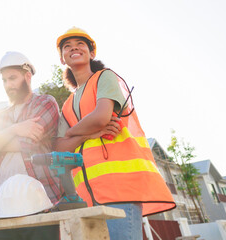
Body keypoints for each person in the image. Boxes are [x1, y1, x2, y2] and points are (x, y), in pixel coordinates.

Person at [54, 27, 176, 239]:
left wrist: (73, 133)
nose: (74, 47)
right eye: (67, 46)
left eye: (80, 43)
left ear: (92, 53)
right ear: (63, 58)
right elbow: (59, 148)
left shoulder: (105, 77)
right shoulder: (66, 105)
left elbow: (101, 117)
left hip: (120, 189)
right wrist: (88, 134)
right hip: (85, 196)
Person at [0, 51, 61, 240]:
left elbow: (29, 143)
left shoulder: (45, 103)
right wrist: (15, 129)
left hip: (39, 204)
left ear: (28, 76)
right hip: (0, 206)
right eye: (5, 80)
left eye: (13, 78)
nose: (8, 85)